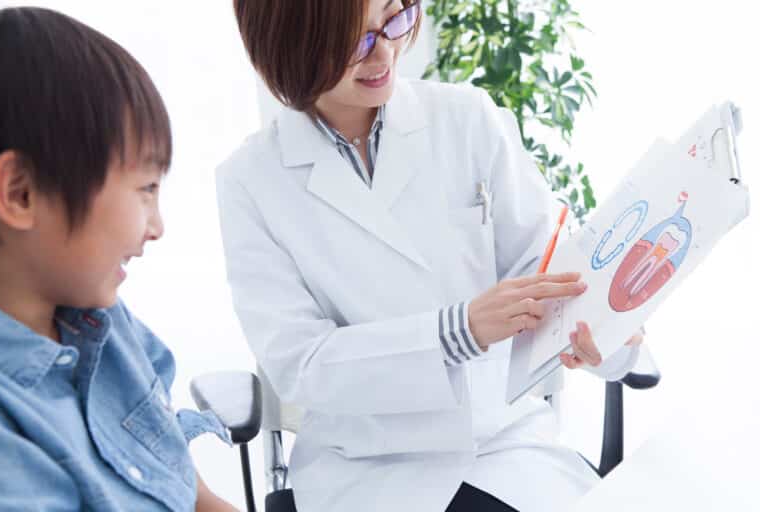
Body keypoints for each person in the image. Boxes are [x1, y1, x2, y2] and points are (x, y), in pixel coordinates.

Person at [218, 1, 644, 510]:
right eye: (356, 44)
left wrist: (605, 331)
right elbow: (302, 364)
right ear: (289, 46)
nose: (384, 55)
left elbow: (546, 271)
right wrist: (457, 331)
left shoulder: (466, 119)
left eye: (394, 20)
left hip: (501, 447)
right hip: (362, 468)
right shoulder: (250, 181)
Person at [0, 7, 237, 511]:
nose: (157, 227)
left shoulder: (106, 324)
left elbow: (192, 494)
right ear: (20, 194)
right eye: (146, 188)